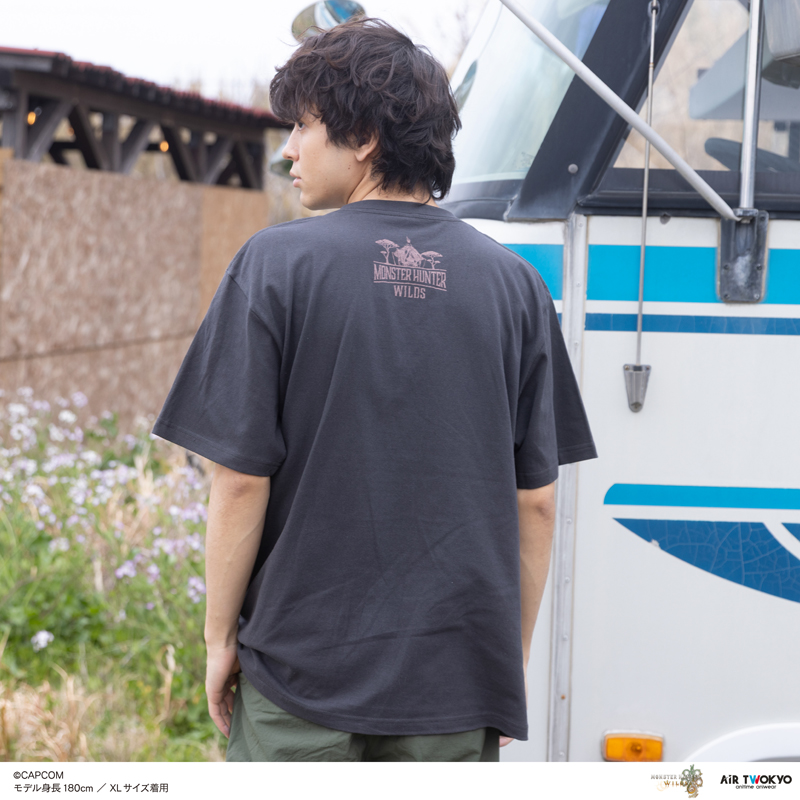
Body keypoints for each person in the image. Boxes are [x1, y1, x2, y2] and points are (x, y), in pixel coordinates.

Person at [151, 18, 597, 762]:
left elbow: (239, 481)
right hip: (454, 687)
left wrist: (219, 640)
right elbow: (538, 502)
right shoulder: (517, 288)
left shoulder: (275, 266)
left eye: (303, 126)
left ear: (362, 138)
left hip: (298, 682)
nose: (289, 150)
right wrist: (503, 665)